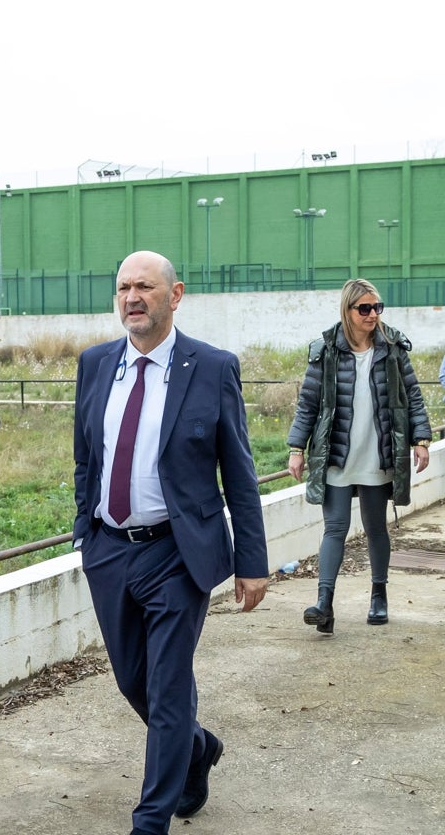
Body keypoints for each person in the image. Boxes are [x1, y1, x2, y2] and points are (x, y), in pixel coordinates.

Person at [72, 250, 269, 835]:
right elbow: (87, 457)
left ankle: (150, 819)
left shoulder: (210, 367)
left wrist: (250, 563)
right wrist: (86, 527)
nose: (132, 297)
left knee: (167, 685)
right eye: (123, 287)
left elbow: (238, 469)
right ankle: (197, 746)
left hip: (176, 551)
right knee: (133, 679)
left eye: (146, 288)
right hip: (109, 548)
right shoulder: (95, 363)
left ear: (175, 295)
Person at [287, 279, 432, 633]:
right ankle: (324, 604)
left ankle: (378, 595)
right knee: (334, 528)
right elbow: (308, 402)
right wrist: (296, 448)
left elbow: (412, 395)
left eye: (376, 308)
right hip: (337, 453)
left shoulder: (393, 346)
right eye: (364, 308)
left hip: (379, 451)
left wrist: (421, 439)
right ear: (348, 310)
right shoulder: (325, 349)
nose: (372, 314)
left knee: (375, 527)